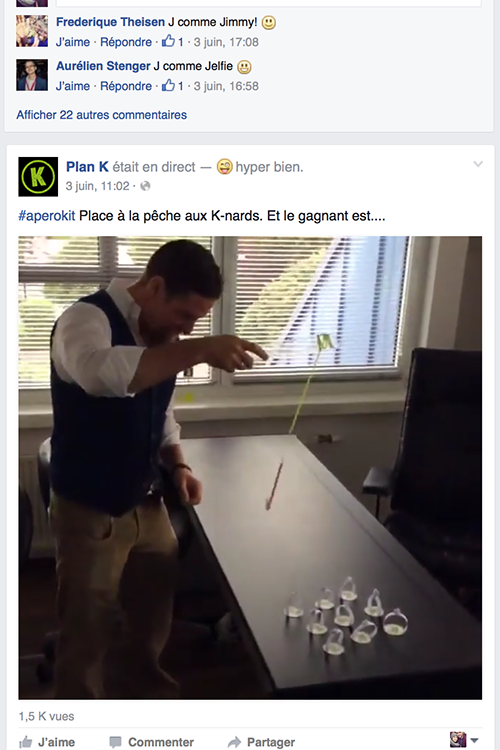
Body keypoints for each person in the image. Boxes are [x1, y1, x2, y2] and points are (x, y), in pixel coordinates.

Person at [48, 239, 268, 699]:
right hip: (90, 508)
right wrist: (200, 349)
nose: (187, 329)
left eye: (197, 322)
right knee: (86, 630)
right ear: (155, 286)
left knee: (152, 618)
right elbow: (98, 374)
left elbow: (161, 412)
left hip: (147, 503)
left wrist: (178, 463)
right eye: (184, 315)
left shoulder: (161, 337)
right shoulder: (84, 319)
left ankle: (145, 700)